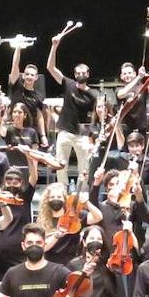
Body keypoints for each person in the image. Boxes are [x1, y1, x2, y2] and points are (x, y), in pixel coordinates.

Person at [46, 28, 96, 185]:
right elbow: (50, 68)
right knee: (60, 166)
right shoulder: (68, 84)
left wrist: (90, 139)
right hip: (65, 132)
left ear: (88, 74)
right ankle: (62, 192)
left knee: (84, 168)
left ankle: (83, 196)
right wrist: (54, 46)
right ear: (75, 75)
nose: (80, 74)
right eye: (78, 72)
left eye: (83, 72)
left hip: (81, 135)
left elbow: (92, 118)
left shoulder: (93, 94)